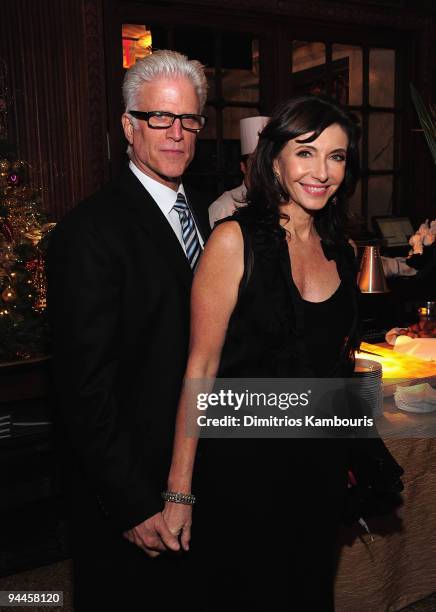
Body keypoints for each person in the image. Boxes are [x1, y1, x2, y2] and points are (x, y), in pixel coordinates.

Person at [163, 95, 363, 611]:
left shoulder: (341, 248)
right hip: (242, 472)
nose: (322, 172)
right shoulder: (233, 242)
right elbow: (200, 370)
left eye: (337, 157)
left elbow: (337, 366)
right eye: (307, 152)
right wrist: (179, 493)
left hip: (316, 471)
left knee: (308, 592)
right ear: (274, 159)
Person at [48, 50, 210, 611]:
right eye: (159, 118)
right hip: (134, 495)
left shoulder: (210, 221)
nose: (176, 133)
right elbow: (82, 387)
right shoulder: (89, 232)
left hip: (196, 475)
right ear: (128, 126)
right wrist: (133, 504)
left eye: (188, 119)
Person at [208, 115, 269, 227]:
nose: (261, 170)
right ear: (243, 167)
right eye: (255, 163)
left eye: (266, 163)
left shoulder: (280, 202)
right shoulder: (223, 207)